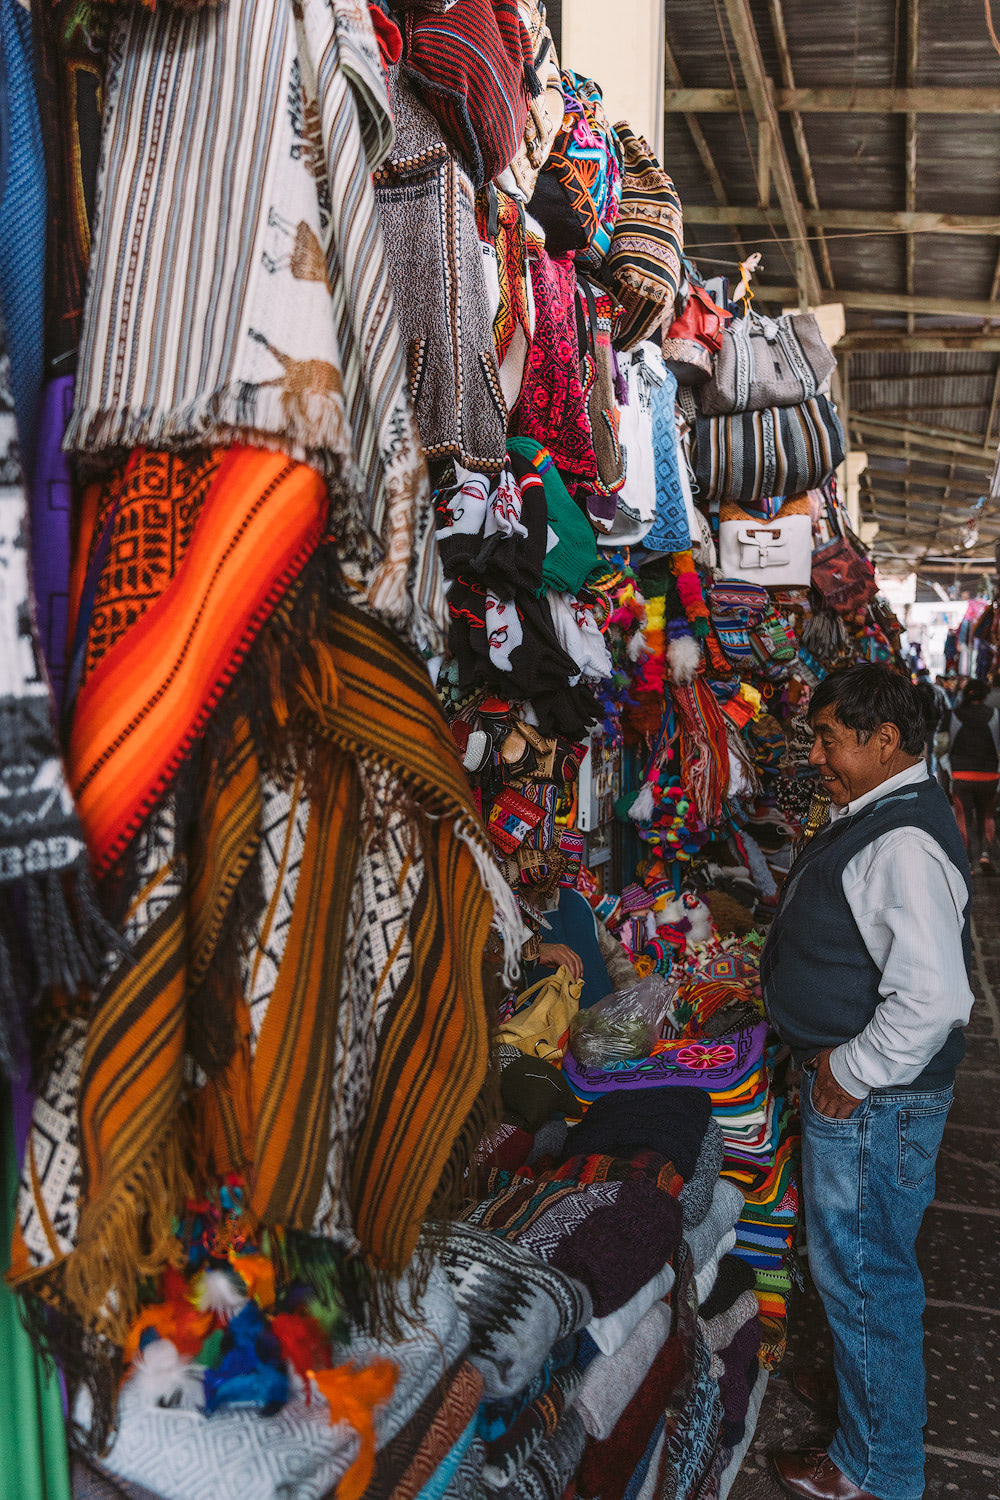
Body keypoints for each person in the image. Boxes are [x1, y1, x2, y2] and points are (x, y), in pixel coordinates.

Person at [762, 664, 974, 1500]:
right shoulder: (888, 812)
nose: (815, 754)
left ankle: (875, 1470)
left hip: (875, 1104)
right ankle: (870, 1403)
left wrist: (853, 1069)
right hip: (878, 1101)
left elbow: (933, 995)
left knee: (864, 1277)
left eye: (828, 738)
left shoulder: (902, 841)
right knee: (862, 1271)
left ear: (885, 740)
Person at [938, 677, 1000, 874]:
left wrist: (947, 767)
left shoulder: (953, 715)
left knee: (964, 817)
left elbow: (941, 745)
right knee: (987, 816)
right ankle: (985, 854)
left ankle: (967, 862)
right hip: (990, 776)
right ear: (985, 696)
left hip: (961, 775)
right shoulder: (995, 715)